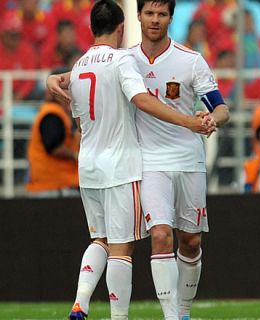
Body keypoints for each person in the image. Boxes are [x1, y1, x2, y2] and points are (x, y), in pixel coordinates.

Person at [47, 1, 214, 319]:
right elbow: (140, 99)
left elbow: (72, 94)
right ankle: (119, 317)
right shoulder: (124, 60)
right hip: (120, 165)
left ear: (91, 27)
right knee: (122, 248)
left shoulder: (81, 64)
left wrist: (50, 78)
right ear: (124, 26)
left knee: (100, 239)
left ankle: (81, 301)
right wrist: (189, 122)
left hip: (88, 166)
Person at [130, 1, 229, 319]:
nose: (155, 20)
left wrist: (213, 119)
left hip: (188, 159)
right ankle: (172, 316)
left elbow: (222, 108)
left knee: (190, 240)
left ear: (171, 18)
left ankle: (183, 312)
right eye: (149, 14)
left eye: (161, 14)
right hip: (149, 160)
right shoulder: (126, 60)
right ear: (139, 16)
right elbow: (90, 69)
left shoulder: (191, 60)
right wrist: (56, 78)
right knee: (160, 235)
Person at [26, 67, 80, 198]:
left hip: (51, 185)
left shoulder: (55, 112)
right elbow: (53, 146)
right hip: (54, 187)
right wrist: (76, 155)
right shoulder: (52, 114)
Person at [0, 10, 37, 100]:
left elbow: (30, 79)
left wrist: (19, 95)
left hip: (21, 95)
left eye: (17, 34)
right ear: (3, 34)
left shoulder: (27, 50)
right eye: (12, 35)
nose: (15, 38)